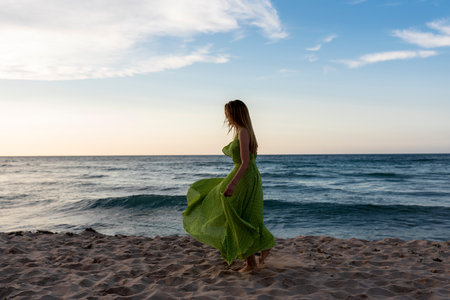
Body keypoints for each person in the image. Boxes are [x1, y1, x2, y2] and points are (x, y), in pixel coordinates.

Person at [182, 99, 275, 272]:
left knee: (238, 216)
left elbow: (245, 162)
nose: (226, 116)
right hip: (246, 175)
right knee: (241, 216)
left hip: (245, 177)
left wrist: (232, 184)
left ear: (235, 113)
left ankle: (252, 261)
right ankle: (261, 249)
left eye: (228, 113)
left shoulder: (243, 133)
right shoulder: (242, 132)